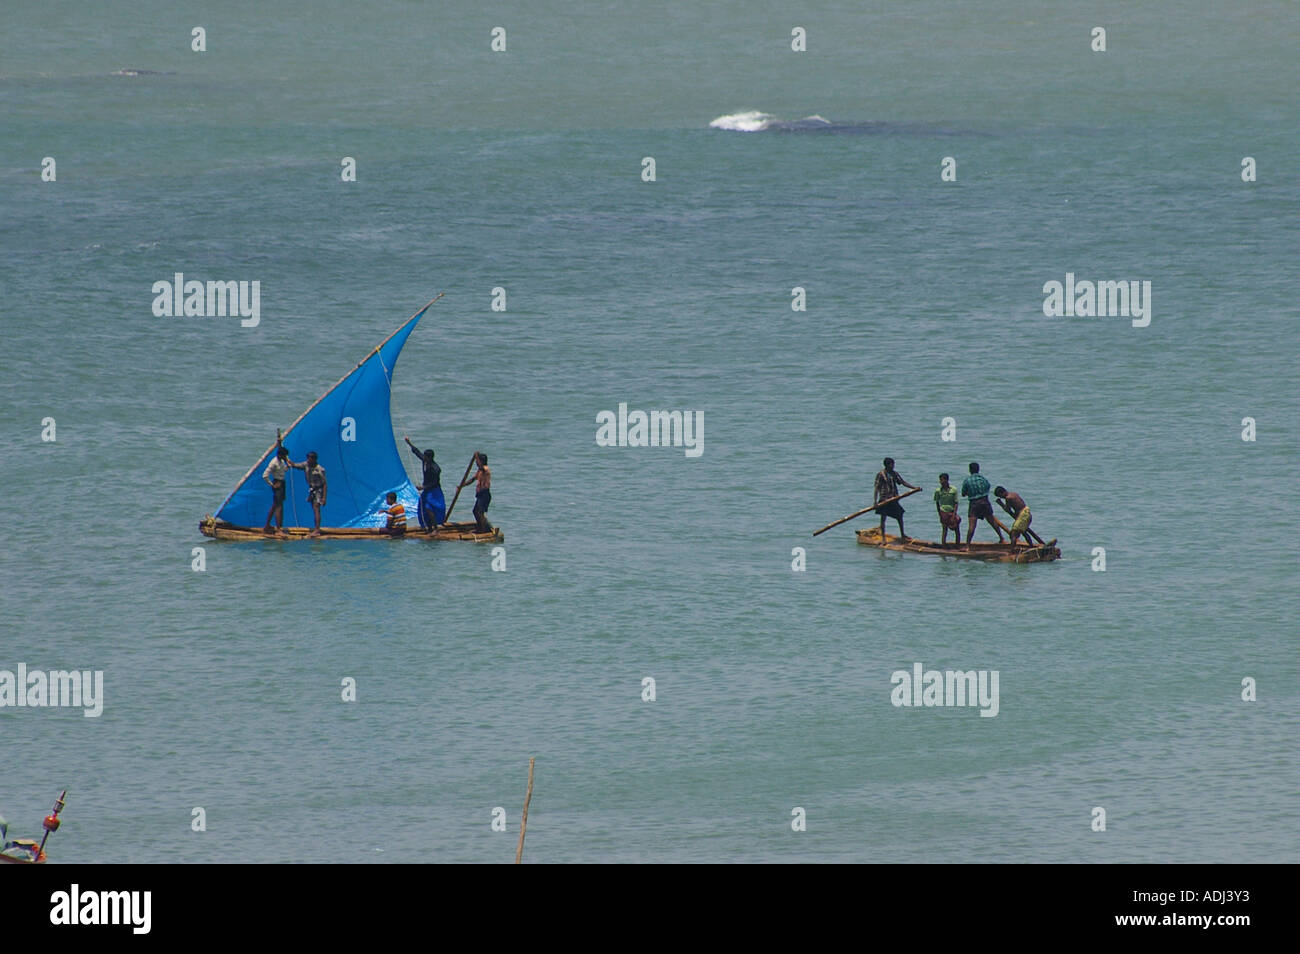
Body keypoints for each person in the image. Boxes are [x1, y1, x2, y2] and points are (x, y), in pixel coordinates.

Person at [404, 436, 446, 528]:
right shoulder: (425, 461)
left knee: (430, 508)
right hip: (427, 490)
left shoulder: (435, 469)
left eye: (426, 457)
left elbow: (435, 482)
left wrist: (423, 487)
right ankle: (428, 526)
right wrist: (409, 443)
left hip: (434, 491)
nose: (424, 458)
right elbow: (417, 452)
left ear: (430, 458)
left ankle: (435, 528)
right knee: (423, 508)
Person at [873, 457, 919, 541]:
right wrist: (875, 501)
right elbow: (876, 488)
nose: (893, 466)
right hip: (884, 499)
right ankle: (883, 538)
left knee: (900, 515)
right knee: (883, 518)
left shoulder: (894, 474)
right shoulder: (881, 474)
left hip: (893, 498)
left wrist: (914, 488)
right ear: (887, 465)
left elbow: (902, 482)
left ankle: (902, 535)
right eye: (892, 464)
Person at [961, 462, 1005, 545]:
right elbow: (988, 487)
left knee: (972, 526)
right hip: (985, 502)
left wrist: (970, 493)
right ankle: (1001, 538)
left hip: (974, 503)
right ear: (978, 469)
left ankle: (967, 546)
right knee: (992, 521)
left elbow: (963, 493)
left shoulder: (967, 480)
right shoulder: (983, 479)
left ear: (970, 470)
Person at [290, 451, 327, 536]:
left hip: (318, 490)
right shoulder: (306, 465)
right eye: (308, 458)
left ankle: (317, 530)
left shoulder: (319, 469)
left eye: (310, 458)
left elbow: (324, 484)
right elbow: (295, 465)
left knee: (316, 508)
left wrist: (324, 498)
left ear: (314, 459)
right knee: (314, 508)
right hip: (312, 490)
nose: (308, 460)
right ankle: (316, 528)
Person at [262, 436, 292, 535]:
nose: (285, 458)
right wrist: (272, 485)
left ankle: (267, 526)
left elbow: (282, 470)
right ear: (280, 455)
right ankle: (279, 529)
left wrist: (287, 466)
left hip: (282, 483)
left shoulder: (282, 460)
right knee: (279, 507)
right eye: (284, 456)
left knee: (275, 505)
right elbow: (265, 475)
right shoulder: (274, 462)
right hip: (277, 484)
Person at [458, 451, 492, 532]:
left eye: (478, 461)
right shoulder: (479, 471)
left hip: (485, 494)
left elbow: (482, 468)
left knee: (480, 512)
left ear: (482, 461)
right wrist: (462, 485)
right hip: (480, 494)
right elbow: (472, 479)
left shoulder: (486, 469)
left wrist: (476, 457)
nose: (476, 462)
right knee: (475, 511)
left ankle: (483, 530)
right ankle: (480, 527)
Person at [933, 473, 962, 546]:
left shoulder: (953, 489)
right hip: (943, 511)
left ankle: (957, 545)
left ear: (946, 480)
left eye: (942, 480)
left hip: (952, 511)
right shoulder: (938, 491)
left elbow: (956, 503)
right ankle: (944, 545)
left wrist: (954, 514)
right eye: (940, 480)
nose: (940, 482)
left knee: (956, 529)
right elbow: (937, 502)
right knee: (944, 529)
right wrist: (939, 514)